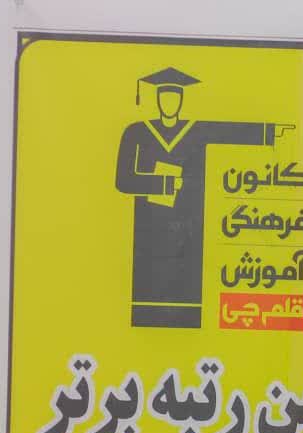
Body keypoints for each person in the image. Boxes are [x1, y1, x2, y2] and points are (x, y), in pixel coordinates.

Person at [116, 67, 293, 328]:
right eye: (165, 98)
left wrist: (273, 132)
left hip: (189, 226)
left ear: (181, 101)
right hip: (150, 228)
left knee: (186, 285)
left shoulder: (195, 131)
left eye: (174, 98)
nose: (169, 104)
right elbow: (123, 181)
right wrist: (164, 182)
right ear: (157, 100)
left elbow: (229, 132)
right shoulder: (137, 133)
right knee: (149, 286)